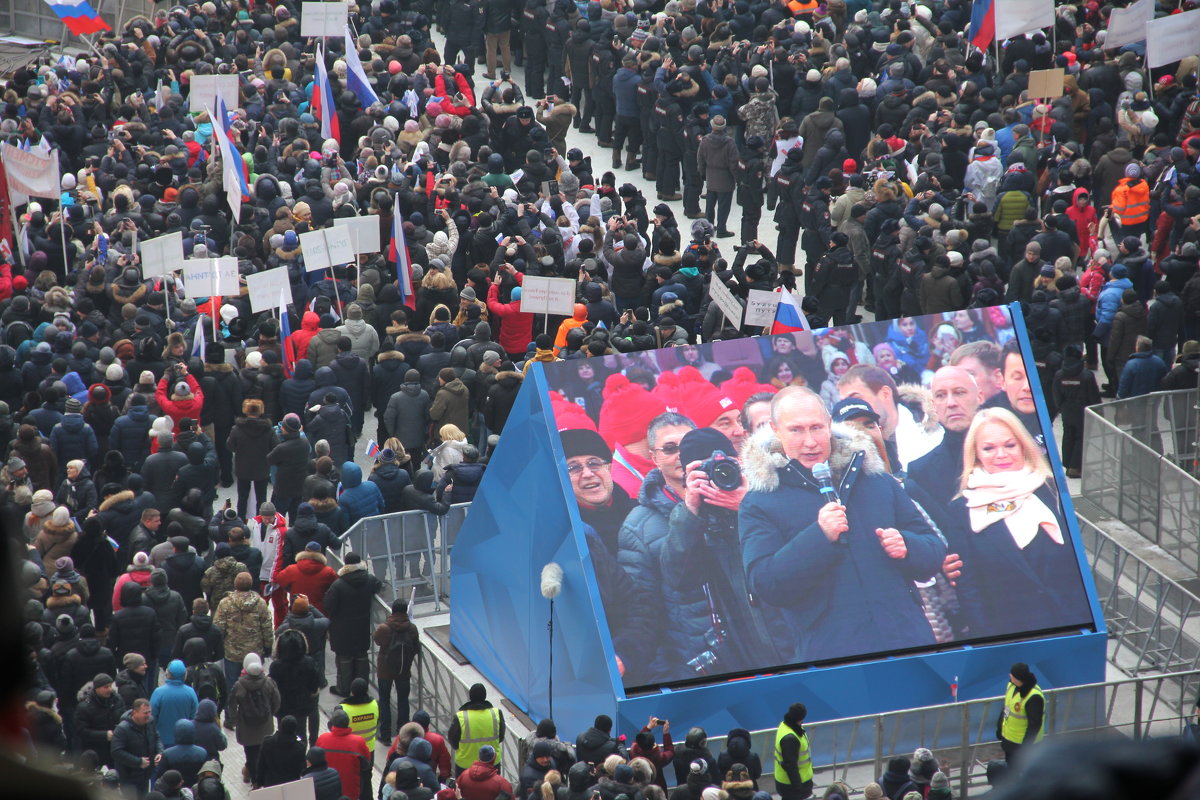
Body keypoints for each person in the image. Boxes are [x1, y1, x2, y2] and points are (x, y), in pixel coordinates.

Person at [739, 388, 945, 664]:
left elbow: (934, 550)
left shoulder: (875, 479)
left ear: (829, 425)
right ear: (776, 431)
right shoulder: (760, 501)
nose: (810, 441)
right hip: (833, 654)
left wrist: (907, 545)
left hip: (908, 640)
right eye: (796, 430)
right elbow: (765, 585)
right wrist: (819, 536)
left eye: (816, 428)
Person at [948, 409, 1092, 640]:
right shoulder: (961, 510)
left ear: (1023, 445)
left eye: (1009, 445)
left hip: (1072, 624)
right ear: (975, 454)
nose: (1001, 454)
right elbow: (970, 589)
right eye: (989, 448)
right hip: (1010, 636)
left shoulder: (1051, 490)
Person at [325, 552, 382, 696]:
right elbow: (379, 586)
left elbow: (328, 605)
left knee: (344, 658)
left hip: (341, 628)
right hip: (361, 626)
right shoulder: (369, 580)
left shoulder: (338, 585)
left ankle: (343, 688)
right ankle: (361, 688)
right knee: (361, 656)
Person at [212, 572, 274, 703]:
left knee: (232, 684)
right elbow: (267, 627)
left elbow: (218, 628)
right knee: (255, 684)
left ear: (235, 584)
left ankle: (230, 716)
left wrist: (218, 647)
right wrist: (268, 646)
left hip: (232, 653)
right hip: (254, 653)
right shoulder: (260, 603)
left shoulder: (225, 603)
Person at [228, 652, 281, 785]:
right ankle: (264, 777)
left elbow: (232, 705)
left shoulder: (239, 685)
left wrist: (234, 721)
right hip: (265, 726)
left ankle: (254, 779)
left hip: (247, 728)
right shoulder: (269, 683)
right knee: (264, 752)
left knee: (250, 754)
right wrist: (271, 714)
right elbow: (277, 701)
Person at [374, 599, 421, 742]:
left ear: (392, 611)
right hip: (403, 669)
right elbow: (415, 647)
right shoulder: (412, 628)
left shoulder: (384, 628)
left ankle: (386, 734)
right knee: (403, 700)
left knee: (384, 700)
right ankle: (403, 734)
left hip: (385, 669)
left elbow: (376, 640)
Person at [316, 708, 372, 800]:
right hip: (351, 791)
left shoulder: (323, 739)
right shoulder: (358, 741)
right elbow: (366, 764)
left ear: (332, 723)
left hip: (327, 790)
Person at [449, 683, 505, 775]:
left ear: (470, 696)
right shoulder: (496, 713)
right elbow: (501, 737)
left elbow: (453, 741)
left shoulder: (461, 717)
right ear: (485, 696)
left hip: (466, 765)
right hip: (491, 763)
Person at [110, 698, 162, 796]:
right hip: (129, 776)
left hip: (145, 774)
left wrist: (159, 752)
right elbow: (116, 751)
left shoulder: (150, 722)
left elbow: (156, 736)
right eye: (145, 713)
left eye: (149, 712)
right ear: (135, 712)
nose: (148, 716)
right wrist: (138, 762)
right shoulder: (122, 729)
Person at [997, 662, 1044, 764]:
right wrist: (1000, 727)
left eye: (1012, 675)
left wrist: (1025, 748)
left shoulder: (1033, 697)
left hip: (1022, 746)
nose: (1010, 676)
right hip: (1010, 742)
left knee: (1023, 776)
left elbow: (1034, 725)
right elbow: (1007, 707)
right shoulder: (1011, 685)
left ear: (1018, 678)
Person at [773, 703, 813, 800]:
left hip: (790, 782)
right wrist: (798, 788)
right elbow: (791, 766)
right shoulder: (790, 738)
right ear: (802, 717)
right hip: (792, 785)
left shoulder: (785, 725)